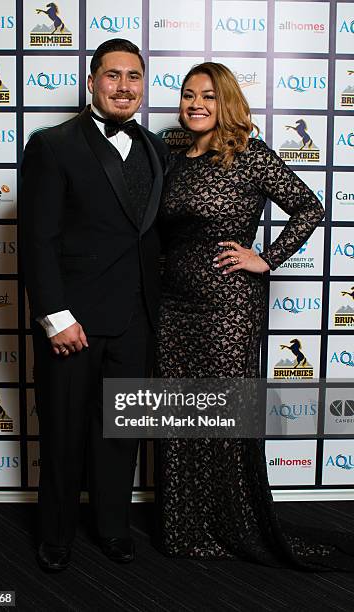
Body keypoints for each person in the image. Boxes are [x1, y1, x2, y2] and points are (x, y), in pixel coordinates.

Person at [155, 62, 354, 570]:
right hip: (173, 306)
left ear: (227, 102)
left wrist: (265, 259)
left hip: (228, 307)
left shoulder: (247, 156)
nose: (196, 104)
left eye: (208, 96)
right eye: (188, 95)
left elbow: (309, 207)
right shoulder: (173, 155)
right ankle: (184, 527)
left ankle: (230, 521)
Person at [20, 38, 169, 571]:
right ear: (92, 81)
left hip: (135, 320)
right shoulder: (53, 145)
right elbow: (38, 239)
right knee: (62, 431)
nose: (124, 86)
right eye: (113, 76)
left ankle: (111, 527)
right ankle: (56, 535)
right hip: (73, 323)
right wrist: (56, 317)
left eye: (133, 76)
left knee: (119, 435)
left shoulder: (156, 146)